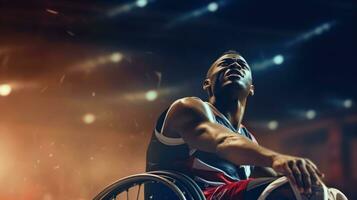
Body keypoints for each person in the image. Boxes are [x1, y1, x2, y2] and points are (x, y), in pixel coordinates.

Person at [146, 51, 347, 199]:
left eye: (241, 65)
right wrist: (277, 158)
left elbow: (273, 175)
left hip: (226, 195)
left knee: (331, 194)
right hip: (191, 196)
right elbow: (223, 141)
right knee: (292, 190)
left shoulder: (247, 138)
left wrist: (306, 177)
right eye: (225, 63)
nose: (234, 66)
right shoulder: (188, 107)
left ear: (251, 88)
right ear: (207, 84)